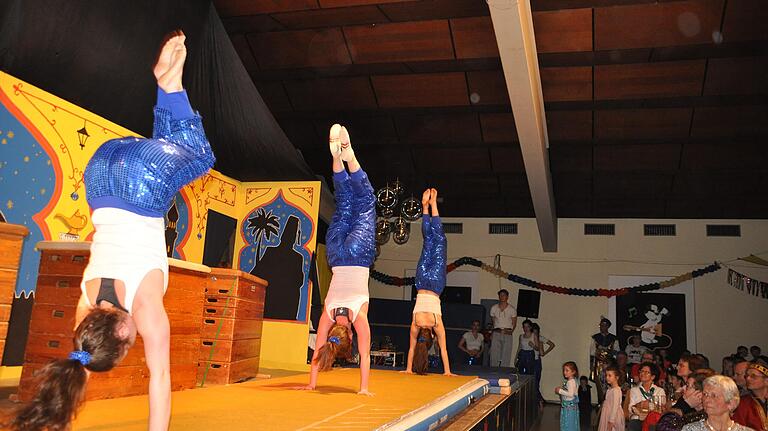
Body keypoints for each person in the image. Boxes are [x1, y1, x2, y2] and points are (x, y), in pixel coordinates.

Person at [10, 32, 214, 431]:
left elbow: (161, 380)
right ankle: (166, 88)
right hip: (101, 174)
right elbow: (80, 361)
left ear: (124, 332)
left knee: (199, 158)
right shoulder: (85, 311)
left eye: (128, 347)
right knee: (172, 153)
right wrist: (56, 420)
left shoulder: (145, 308)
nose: (136, 343)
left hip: (139, 184)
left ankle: (168, 85)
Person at [303, 124, 375, 395]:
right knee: (344, 203)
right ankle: (336, 157)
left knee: (366, 201)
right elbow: (317, 353)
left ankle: (349, 155)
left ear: (351, 337)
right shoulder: (327, 315)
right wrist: (311, 384)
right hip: (335, 252)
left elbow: (366, 357)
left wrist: (363, 389)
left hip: (358, 255)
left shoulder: (359, 318)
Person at [404, 188, 455, 376]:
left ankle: (432, 206)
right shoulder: (415, 323)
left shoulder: (436, 323)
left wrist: (447, 372)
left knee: (439, 239)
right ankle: (425, 208)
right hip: (421, 282)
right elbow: (411, 349)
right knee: (428, 242)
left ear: (431, 336)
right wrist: (408, 369)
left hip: (435, 285)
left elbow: (444, 350)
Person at [682, 375, 754, 431]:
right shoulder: (690, 429)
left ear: (731, 403)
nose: (707, 399)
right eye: (705, 394)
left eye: (714, 396)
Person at [628, 362, 667, 431]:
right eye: (641, 371)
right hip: (638, 420)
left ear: (653, 376)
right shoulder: (634, 390)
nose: (643, 374)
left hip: (653, 421)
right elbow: (631, 408)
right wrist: (639, 405)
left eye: (646, 372)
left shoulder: (659, 391)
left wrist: (647, 406)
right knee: (633, 423)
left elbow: (662, 408)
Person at [590, 317, 619, 405]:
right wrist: (591, 365)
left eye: (604, 325)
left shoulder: (614, 338)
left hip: (609, 364)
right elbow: (592, 352)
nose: (602, 327)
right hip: (598, 364)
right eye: (601, 325)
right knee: (599, 384)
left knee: (609, 383)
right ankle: (600, 403)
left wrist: (608, 353)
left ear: (608, 326)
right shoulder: (595, 338)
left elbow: (617, 352)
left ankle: (609, 403)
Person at [732, 361, 767, 431]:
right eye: (746, 376)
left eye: (753, 376)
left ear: (766, 380)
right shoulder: (742, 403)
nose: (748, 379)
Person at [489, 289, 517, 367]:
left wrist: (510, 332)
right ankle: (493, 371)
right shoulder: (494, 308)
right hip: (497, 332)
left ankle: (504, 373)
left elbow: (514, 323)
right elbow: (493, 321)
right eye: (500, 295)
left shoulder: (512, 309)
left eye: (503, 295)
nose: (502, 297)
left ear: (507, 297)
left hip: (507, 333)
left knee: (506, 354)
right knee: (494, 353)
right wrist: (492, 332)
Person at [532, 322, 554, 406]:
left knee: (536, 381)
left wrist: (544, 352)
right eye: (534, 332)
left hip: (537, 361)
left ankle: (540, 399)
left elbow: (551, 345)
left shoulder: (540, 338)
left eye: (536, 332)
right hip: (529, 360)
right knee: (532, 381)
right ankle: (538, 399)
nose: (535, 333)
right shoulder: (529, 338)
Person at [599, 366, 625, 431]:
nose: (607, 377)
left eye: (610, 375)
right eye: (606, 375)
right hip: (607, 414)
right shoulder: (610, 389)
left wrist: (611, 420)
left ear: (617, 377)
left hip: (613, 416)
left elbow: (615, 406)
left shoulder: (616, 390)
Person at [556, 361, 580, 431]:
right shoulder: (573, 380)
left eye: (567, 370)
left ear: (573, 372)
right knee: (571, 422)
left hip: (569, 407)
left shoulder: (570, 382)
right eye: (564, 370)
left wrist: (560, 391)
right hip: (571, 407)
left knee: (568, 423)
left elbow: (570, 394)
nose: (564, 372)